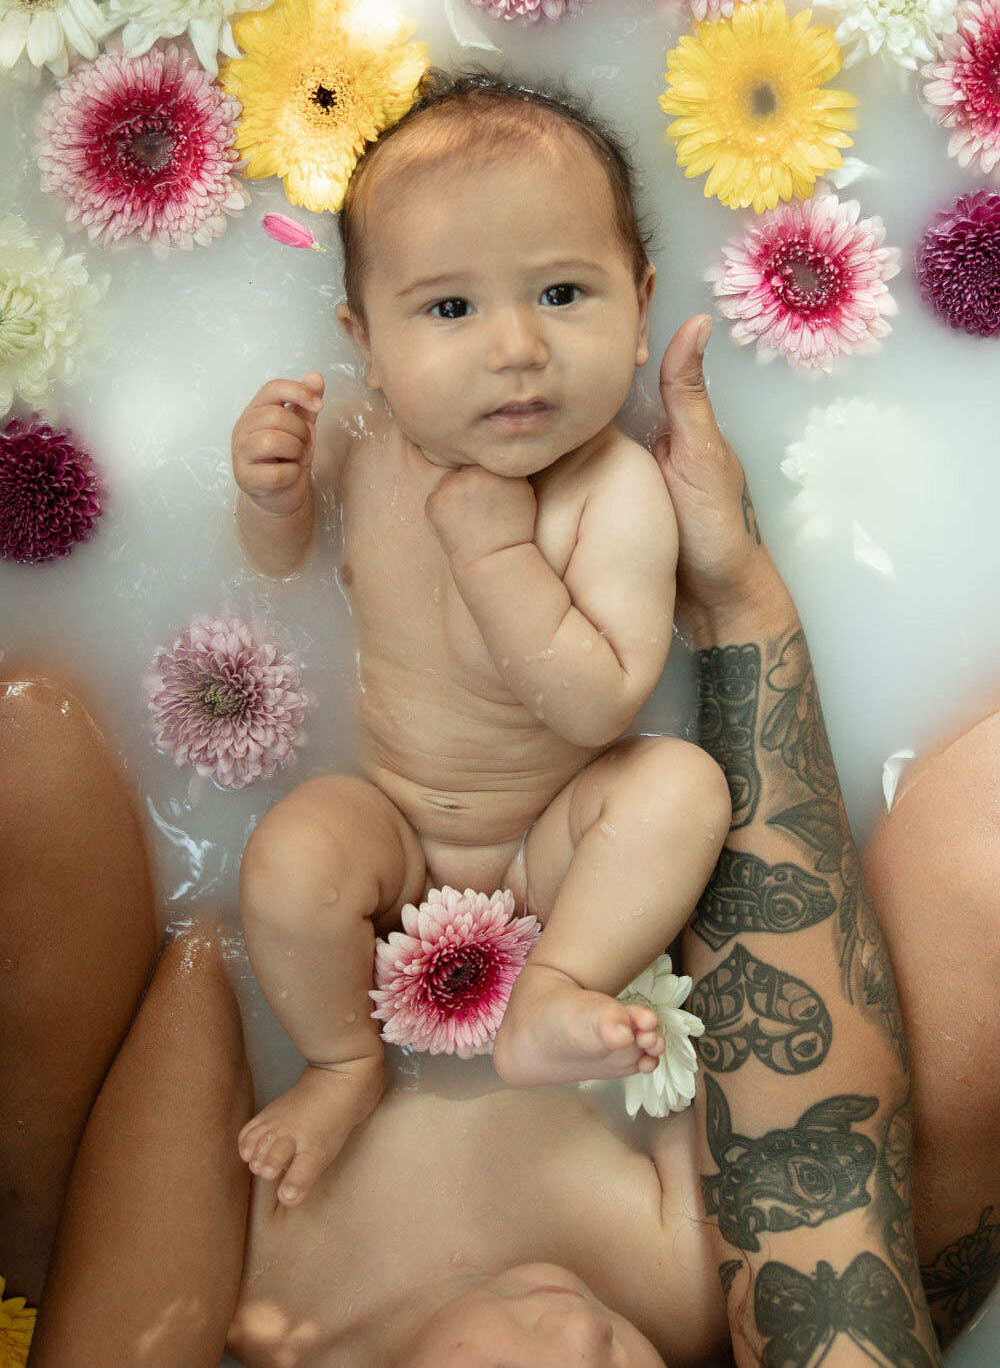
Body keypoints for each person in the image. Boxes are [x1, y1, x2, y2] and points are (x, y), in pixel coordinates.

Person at [6, 319, 997, 1367]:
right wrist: (728, 591)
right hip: (564, 900)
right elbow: (788, 1128)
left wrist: (258, 984)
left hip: (386, 905)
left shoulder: (267, 1299)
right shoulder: (673, 1281)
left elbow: (193, 997)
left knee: (32, 767)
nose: (580, 1332)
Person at [229, 72, 732, 1207]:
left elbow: (602, 704)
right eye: (448, 310)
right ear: (365, 339)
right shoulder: (363, 438)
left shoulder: (614, 489)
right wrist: (270, 501)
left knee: (679, 788)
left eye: (562, 293)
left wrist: (496, 556)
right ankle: (342, 1060)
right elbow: (281, 569)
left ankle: (555, 989)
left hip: (548, 845)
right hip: (394, 818)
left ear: (640, 307)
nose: (514, 348)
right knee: (293, 857)